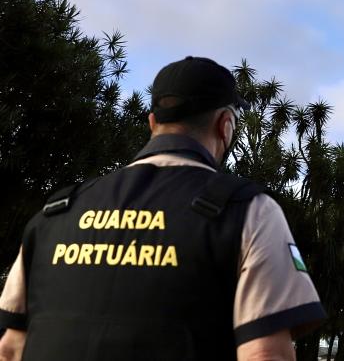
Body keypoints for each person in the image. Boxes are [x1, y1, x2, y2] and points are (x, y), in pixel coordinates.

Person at [0, 56, 326, 361]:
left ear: (152, 121)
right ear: (225, 125)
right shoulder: (248, 210)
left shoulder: (57, 211)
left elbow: (11, 348)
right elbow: (265, 354)